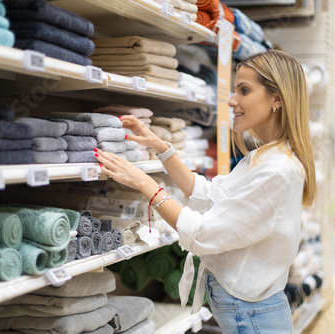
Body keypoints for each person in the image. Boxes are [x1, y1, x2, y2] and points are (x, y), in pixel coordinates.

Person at [94, 49, 316, 333]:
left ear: (277, 99)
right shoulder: (264, 158)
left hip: (252, 316)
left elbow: (202, 233)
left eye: (244, 90)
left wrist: (144, 183)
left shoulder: (277, 170)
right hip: (250, 311)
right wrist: (161, 148)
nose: (232, 100)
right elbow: (211, 195)